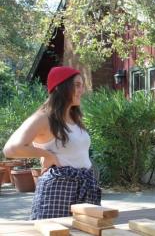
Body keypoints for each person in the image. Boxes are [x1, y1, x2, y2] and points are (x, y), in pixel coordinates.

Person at [3, 66, 101, 219]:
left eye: (82, 85)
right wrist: (46, 155)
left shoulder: (74, 118)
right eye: (77, 85)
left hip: (86, 185)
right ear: (61, 87)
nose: (82, 90)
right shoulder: (44, 118)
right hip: (59, 189)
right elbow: (11, 149)